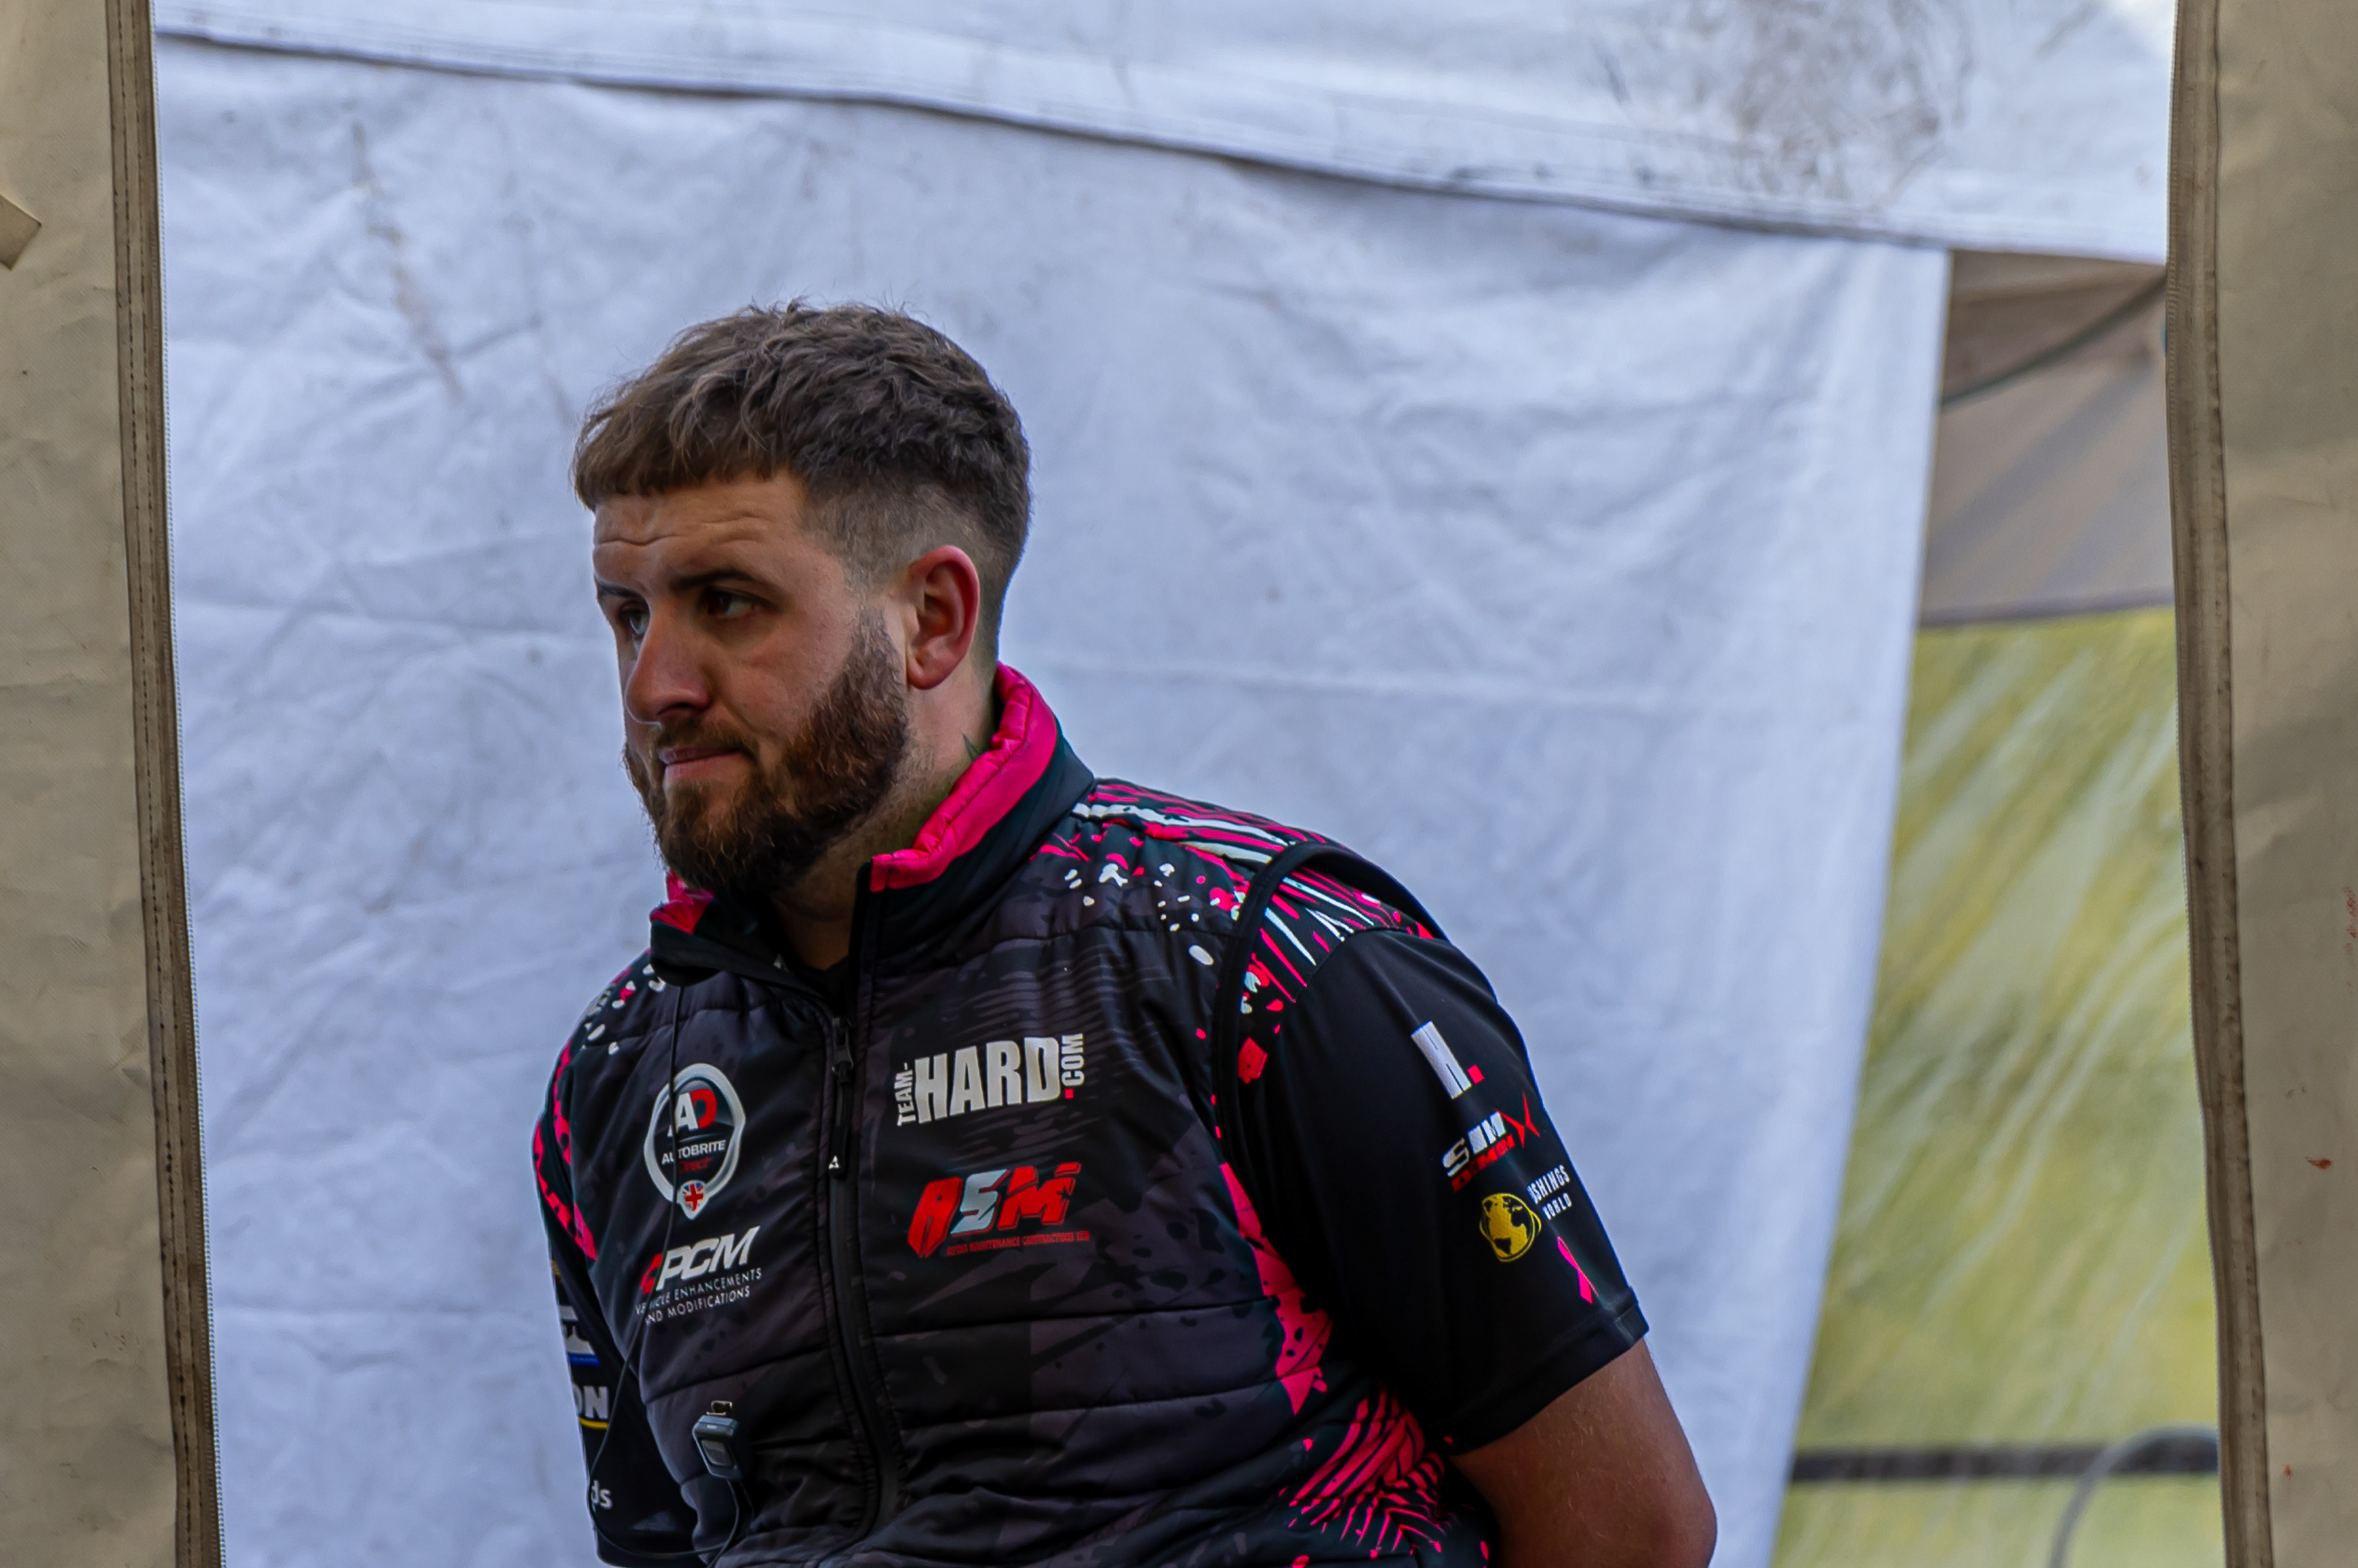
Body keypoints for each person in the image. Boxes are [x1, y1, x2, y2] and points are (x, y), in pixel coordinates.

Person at [532, 303, 1716, 1568]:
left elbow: (1629, 1528)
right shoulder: (616, 1076)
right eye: (628, 614)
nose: (656, 684)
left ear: (933, 619)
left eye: (728, 602)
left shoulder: (1258, 956)